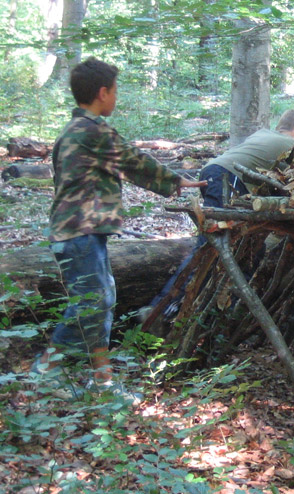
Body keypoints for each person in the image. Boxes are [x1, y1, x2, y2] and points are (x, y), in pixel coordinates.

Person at [34, 57, 206, 399]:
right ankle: (48, 370)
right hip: (78, 232)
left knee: (101, 300)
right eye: (115, 91)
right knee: (92, 303)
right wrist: (177, 181)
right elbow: (132, 160)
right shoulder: (92, 132)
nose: (116, 97)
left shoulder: (74, 131)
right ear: (102, 93)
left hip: (80, 233)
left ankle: (102, 382)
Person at [144, 109, 294, 317]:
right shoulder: (292, 146)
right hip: (227, 180)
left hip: (214, 173)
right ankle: (161, 310)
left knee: (249, 250)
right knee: (211, 247)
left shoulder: (263, 134)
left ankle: (224, 316)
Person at [199, 108, 294, 207]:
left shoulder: (262, 133)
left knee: (215, 221)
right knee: (218, 224)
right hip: (227, 175)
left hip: (210, 169)